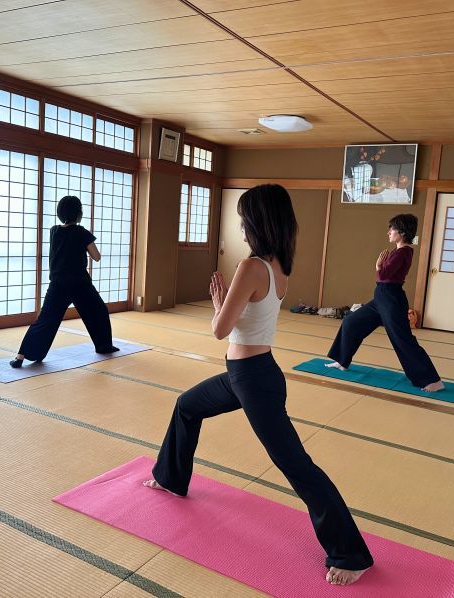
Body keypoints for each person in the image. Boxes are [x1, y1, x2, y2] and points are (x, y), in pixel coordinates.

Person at [143, 184, 374, 586]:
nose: (240, 225)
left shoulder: (251, 268)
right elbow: (240, 327)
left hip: (253, 381)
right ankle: (170, 477)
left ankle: (351, 553)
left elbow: (220, 330)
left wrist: (217, 302)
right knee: (188, 405)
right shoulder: (278, 266)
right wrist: (224, 304)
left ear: (256, 222)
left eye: (243, 218)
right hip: (248, 374)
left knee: (295, 464)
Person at [326, 214, 444, 392]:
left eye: (392, 229)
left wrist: (378, 266)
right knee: (351, 322)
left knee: (402, 339)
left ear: (402, 232)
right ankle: (342, 361)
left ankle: (432, 380)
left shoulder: (403, 252)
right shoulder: (398, 251)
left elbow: (383, 276)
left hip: (391, 300)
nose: (389, 232)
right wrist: (381, 268)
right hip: (381, 298)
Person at [10, 195, 118, 368]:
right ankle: (104, 346)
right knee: (98, 311)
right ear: (78, 213)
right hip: (80, 284)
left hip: (58, 284)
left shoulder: (54, 231)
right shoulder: (81, 232)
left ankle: (21, 356)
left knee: (46, 319)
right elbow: (96, 257)